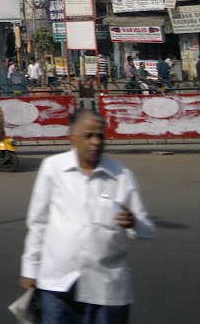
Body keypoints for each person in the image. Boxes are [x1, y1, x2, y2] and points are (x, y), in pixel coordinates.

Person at [20, 109, 155, 322]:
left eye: (100, 136)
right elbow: (38, 222)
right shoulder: (53, 168)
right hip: (57, 284)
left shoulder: (121, 175)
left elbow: (147, 228)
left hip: (107, 289)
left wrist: (133, 222)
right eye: (88, 136)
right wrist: (30, 268)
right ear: (72, 138)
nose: (95, 142)